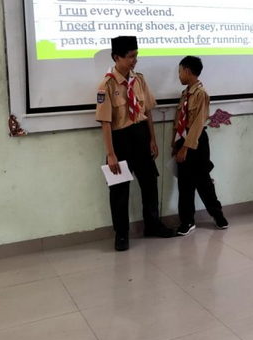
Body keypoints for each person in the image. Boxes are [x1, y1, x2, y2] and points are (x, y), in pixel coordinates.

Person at [96, 35, 174, 250]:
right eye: (130, 56)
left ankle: (153, 225)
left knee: (150, 183)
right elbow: (105, 122)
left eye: (136, 55)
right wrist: (110, 154)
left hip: (141, 136)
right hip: (120, 140)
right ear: (116, 57)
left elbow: (147, 111)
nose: (135, 60)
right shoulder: (107, 85)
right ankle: (121, 234)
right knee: (119, 190)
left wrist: (152, 139)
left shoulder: (139, 80)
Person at [172, 56, 228, 236]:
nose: (179, 75)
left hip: (196, 142)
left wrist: (185, 148)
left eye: (180, 71)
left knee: (203, 181)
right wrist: (175, 144)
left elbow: (197, 123)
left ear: (188, 71)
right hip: (183, 139)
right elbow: (179, 121)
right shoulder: (185, 94)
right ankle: (187, 221)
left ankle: (217, 214)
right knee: (184, 184)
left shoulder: (201, 94)